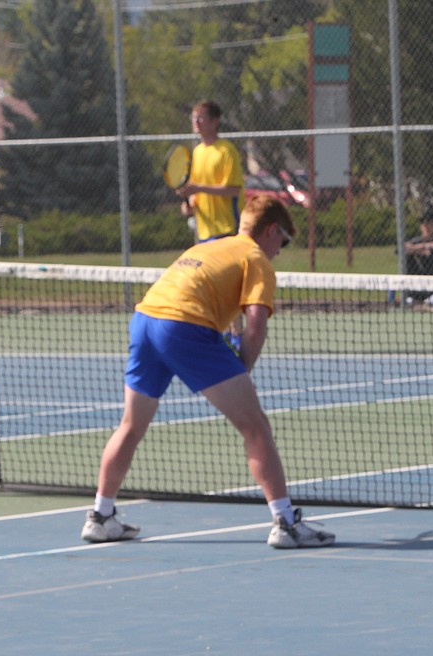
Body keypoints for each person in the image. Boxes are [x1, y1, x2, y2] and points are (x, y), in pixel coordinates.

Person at [81, 195, 336, 550]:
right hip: (183, 327)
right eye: (283, 239)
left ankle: (100, 516)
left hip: (145, 321)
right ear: (271, 230)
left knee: (131, 425)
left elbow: (210, 294)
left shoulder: (214, 245)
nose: (281, 248)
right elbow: (256, 326)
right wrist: (241, 370)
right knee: (255, 426)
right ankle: (286, 523)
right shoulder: (256, 258)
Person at [176, 100, 244, 242]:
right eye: (194, 117)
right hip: (204, 232)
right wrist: (190, 205)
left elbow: (233, 190)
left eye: (201, 117)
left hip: (227, 229)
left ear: (214, 122)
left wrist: (198, 188)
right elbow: (195, 189)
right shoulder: (197, 152)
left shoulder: (227, 151)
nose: (196, 121)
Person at [403, 206, 433, 303]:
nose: (425, 226)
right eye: (423, 223)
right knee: (406, 257)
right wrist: (422, 247)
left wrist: (416, 249)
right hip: (420, 284)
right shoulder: (418, 240)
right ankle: (413, 296)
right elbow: (400, 250)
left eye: (429, 222)